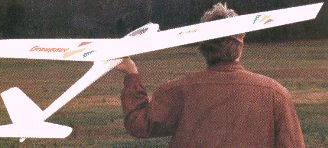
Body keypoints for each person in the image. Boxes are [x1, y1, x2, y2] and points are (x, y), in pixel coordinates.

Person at [115, 3, 305, 147]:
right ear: (240, 45)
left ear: (202, 47)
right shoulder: (276, 94)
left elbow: (139, 124)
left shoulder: (177, 90)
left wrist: (132, 75)